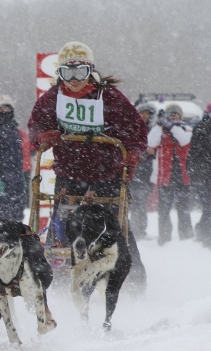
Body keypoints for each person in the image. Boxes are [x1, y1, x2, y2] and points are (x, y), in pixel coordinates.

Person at [28, 41, 147, 289]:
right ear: (59, 74)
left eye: (79, 72)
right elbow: (36, 126)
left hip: (107, 172)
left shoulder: (109, 97)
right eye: (66, 73)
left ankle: (132, 279)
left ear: (90, 71)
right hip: (70, 171)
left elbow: (135, 129)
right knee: (64, 224)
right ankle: (59, 280)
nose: (73, 79)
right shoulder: (53, 99)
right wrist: (43, 137)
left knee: (113, 224)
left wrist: (132, 152)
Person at [148, 103, 194, 245]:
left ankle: (186, 237)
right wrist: (158, 125)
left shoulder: (186, 129)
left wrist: (171, 126)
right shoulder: (161, 131)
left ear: (181, 116)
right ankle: (164, 237)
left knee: (184, 209)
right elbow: (150, 142)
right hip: (165, 178)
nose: (173, 116)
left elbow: (184, 140)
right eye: (170, 114)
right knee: (164, 210)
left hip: (183, 177)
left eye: (175, 114)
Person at [0, 94, 28, 221]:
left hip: (16, 177)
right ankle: (2, 239)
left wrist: (20, 174)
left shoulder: (15, 131)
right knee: (3, 213)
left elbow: (18, 156)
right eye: (0, 109)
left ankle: (16, 238)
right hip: (1, 178)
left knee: (18, 213)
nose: (4, 111)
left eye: (6, 108)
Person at [129, 103, 157, 239]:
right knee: (134, 203)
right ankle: (134, 230)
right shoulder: (131, 129)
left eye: (147, 114)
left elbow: (153, 150)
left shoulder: (152, 131)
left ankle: (140, 230)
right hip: (133, 173)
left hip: (145, 174)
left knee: (141, 203)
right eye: (142, 113)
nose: (145, 116)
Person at [188, 103, 211, 248]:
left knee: (207, 205)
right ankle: (205, 233)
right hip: (203, 173)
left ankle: (203, 231)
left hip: (202, 172)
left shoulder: (200, 127)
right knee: (208, 205)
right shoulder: (202, 128)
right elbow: (195, 152)